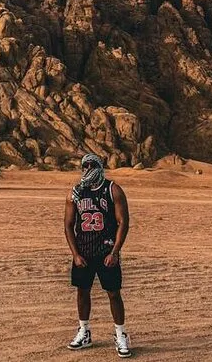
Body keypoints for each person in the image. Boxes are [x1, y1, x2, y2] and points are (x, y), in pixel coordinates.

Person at [64, 153, 131, 358]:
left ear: (100, 167)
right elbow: (68, 225)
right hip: (84, 252)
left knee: (113, 293)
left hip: (106, 252)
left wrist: (115, 252)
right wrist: (75, 254)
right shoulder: (75, 193)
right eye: (85, 166)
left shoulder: (112, 190)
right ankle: (84, 331)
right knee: (82, 291)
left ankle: (120, 334)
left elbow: (123, 222)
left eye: (92, 166)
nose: (88, 170)